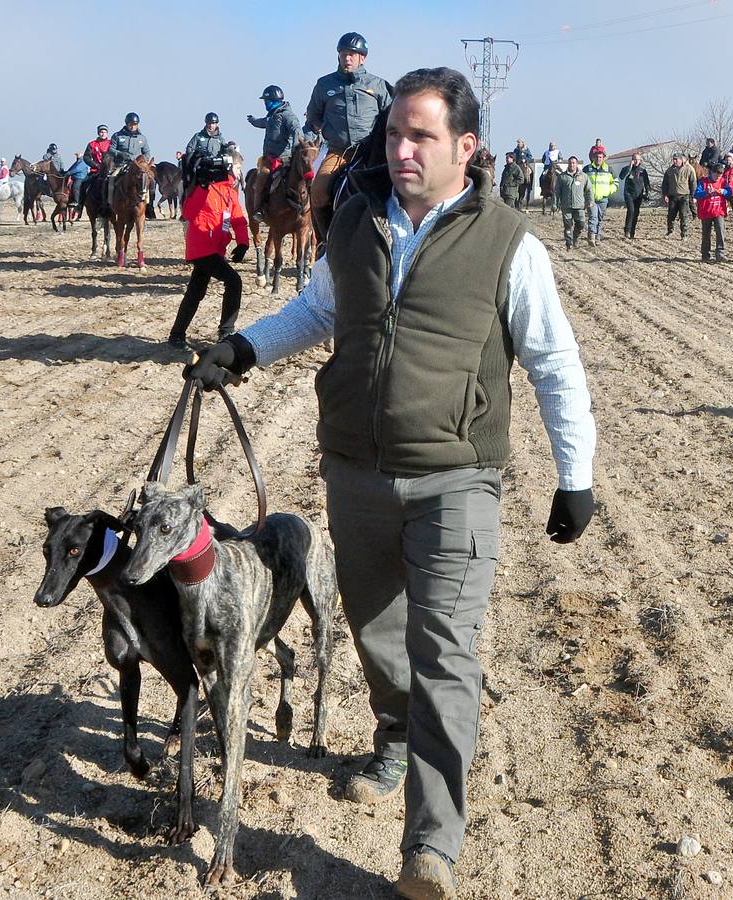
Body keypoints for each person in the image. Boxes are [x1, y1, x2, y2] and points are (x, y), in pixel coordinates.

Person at [185, 67, 596, 900]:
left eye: (421, 136)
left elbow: (553, 361)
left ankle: (430, 846)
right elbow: (317, 310)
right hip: (357, 471)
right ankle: (396, 736)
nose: (401, 149)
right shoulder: (355, 220)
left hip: (456, 478)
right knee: (377, 634)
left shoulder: (508, 242)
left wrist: (574, 472)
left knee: (444, 650)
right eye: (394, 134)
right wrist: (244, 348)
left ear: (464, 147)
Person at [304, 32, 394, 246]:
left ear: (363, 58)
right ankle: (326, 243)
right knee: (318, 192)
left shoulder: (379, 85)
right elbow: (313, 116)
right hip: (339, 152)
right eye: (344, 53)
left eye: (352, 54)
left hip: (372, 151)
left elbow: (392, 117)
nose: (347, 58)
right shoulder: (324, 85)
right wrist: (322, 130)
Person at [167, 153, 249, 351]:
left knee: (196, 291)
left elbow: (237, 219)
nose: (239, 172)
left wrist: (243, 243)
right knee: (234, 281)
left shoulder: (230, 192)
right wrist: (202, 187)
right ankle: (226, 332)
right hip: (202, 248)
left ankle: (176, 335)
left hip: (216, 249)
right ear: (228, 167)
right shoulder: (205, 187)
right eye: (237, 168)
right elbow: (188, 213)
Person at [247, 85, 301, 221]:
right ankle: (259, 210)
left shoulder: (288, 116)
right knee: (260, 180)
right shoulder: (272, 116)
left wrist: (297, 147)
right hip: (269, 159)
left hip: (285, 160)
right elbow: (262, 122)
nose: (265, 103)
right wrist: (253, 121)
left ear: (272, 101)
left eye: (266, 101)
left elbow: (297, 130)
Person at [105, 113, 152, 205]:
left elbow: (147, 153)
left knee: (149, 179)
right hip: (121, 165)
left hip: (138, 167)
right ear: (126, 124)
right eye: (131, 124)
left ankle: (148, 205)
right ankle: (109, 203)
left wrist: (142, 161)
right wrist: (121, 154)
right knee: (111, 179)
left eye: (135, 124)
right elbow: (111, 150)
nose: (133, 126)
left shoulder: (142, 138)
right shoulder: (117, 136)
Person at [694, 161, 731, 262]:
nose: (718, 178)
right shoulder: (703, 181)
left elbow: (729, 192)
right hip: (706, 211)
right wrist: (706, 192)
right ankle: (705, 255)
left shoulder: (723, 181)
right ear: (712, 173)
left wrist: (723, 191)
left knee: (720, 231)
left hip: (719, 211)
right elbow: (696, 194)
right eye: (716, 176)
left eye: (720, 176)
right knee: (706, 233)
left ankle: (720, 253)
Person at [553, 155, 592, 249]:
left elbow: (589, 190)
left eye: (573, 163)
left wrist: (590, 201)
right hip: (566, 206)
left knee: (581, 224)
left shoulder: (584, 176)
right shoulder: (562, 177)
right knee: (568, 226)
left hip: (579, 206)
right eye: (570, 163)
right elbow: (557, 192)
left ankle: (575, 238)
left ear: (577, 164)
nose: (572, 165)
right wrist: (555, 204)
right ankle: (569, 243)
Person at [582, 149, 616, 245]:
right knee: (593, 217)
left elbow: (616, 182)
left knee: (600, 218)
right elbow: (581, 182)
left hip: (603, 199)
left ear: (603, 158)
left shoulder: (609, 169)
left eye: (600, 157)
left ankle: (598, 237)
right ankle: (591, 236)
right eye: (596, 157)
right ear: (593, 158)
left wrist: (609, 191)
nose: (598, 159)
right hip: (591, 198)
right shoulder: (587, 169)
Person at [661, 154, 696, 239]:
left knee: (684, 215)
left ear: (681, 160)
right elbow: (665, 183)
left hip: (684, 196)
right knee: (671, 215)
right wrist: (665, 194)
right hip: (672, 196)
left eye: (676, 159)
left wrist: (693, 196)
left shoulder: (689, 169)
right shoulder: (669, 170)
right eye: (673, 159)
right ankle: (670, 231)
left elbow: (693, 183)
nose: (674, 161)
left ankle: (684, 234)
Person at [618, 152, 650, 240]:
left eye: (638, 159)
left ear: (640, 161)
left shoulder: (642, 171)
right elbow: (621, 177)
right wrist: (630, 167)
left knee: (636, 213)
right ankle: (627, 231)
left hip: (638, 195)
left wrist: (647, 192)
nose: (636, 161)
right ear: (632, 160)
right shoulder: (627, 169)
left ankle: (632, 232)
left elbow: (646, 183)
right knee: (631, 211)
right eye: (635, 159)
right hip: (629, 194)